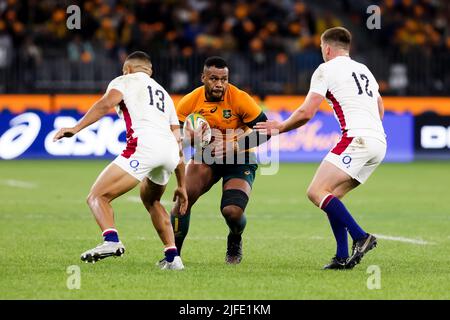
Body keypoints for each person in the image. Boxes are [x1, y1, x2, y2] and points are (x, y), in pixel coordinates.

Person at [255, 27, 386, 270]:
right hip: (379, 142)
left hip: (356, 139)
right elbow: (379, 107)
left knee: (315, 191)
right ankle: (341, 256)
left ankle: (360, 236)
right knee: (332, 195)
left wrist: (280, 128)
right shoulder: (364, 69)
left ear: (326, 48)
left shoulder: (325, 69)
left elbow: (306, 112)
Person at [53, 51, 188, 270]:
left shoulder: (124, 80)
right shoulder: (164, 94)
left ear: (128, 69)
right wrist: (182, 185)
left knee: (97, 196)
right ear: (150, 71)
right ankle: (173, 258)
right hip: (170, 153)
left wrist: (76, 128)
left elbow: (105, 104)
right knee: (152, 201)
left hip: (144, 147)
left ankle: (111, 241)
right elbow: (178, 140)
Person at [170, 56, 270, 264]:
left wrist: (234, 145)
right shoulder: (190, 101)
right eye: (214, 79)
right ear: (203, 78)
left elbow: (267, 130)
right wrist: (189, 138)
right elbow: (173, 136)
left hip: (240, 158)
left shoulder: (239, 98)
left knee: (232, 212)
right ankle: (173, 256)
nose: (219, 84)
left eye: (224, 79)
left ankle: (235, 238)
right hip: (205, 157)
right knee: (183, 201)